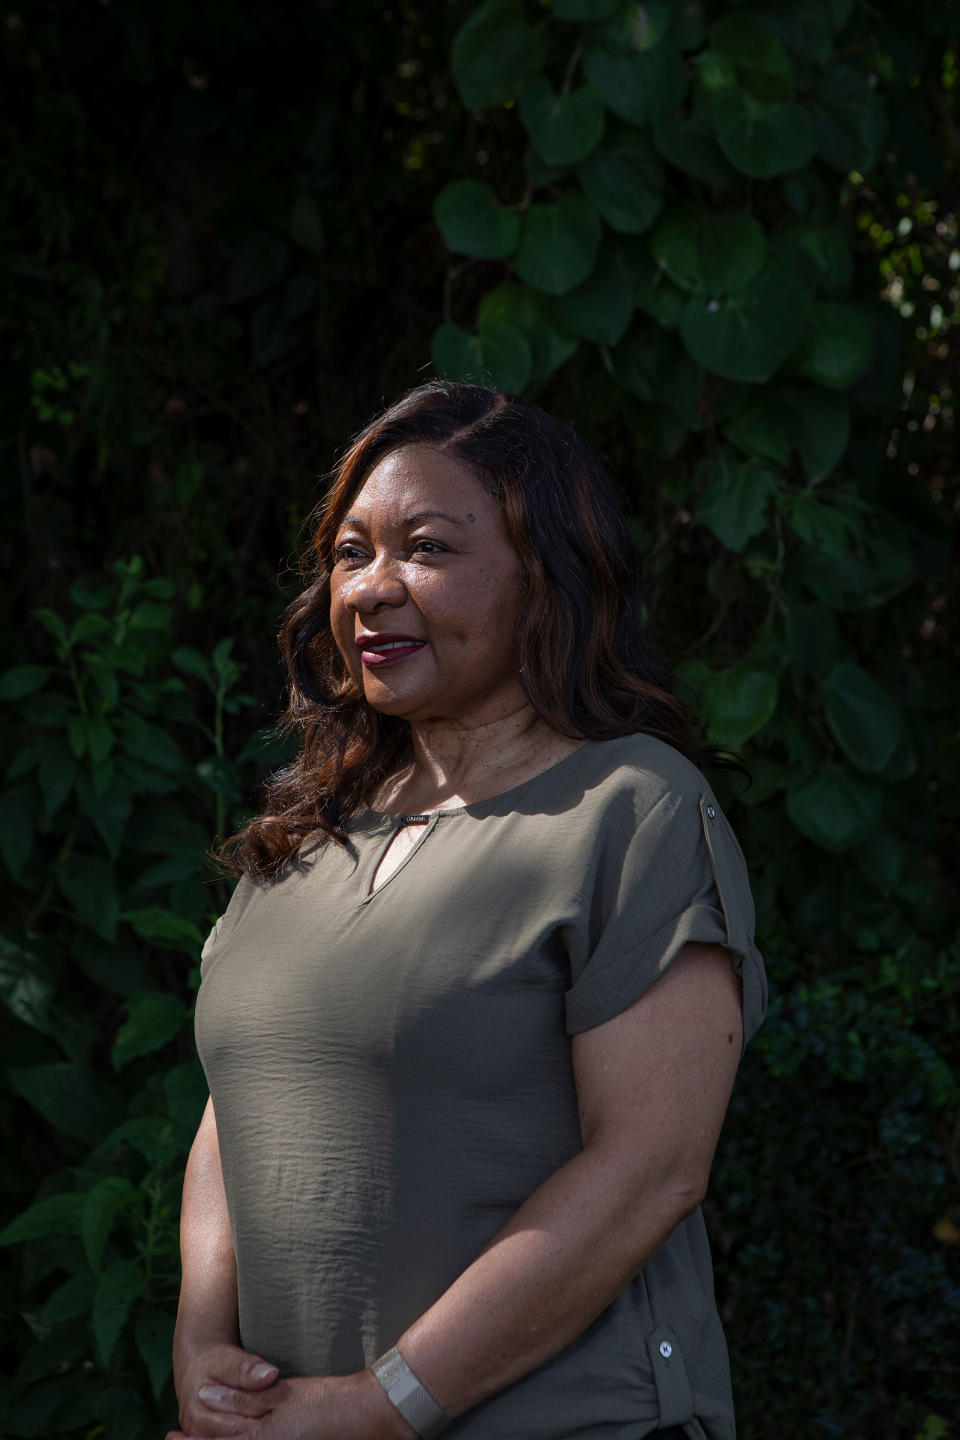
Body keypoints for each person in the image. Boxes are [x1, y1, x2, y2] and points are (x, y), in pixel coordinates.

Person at [169, 381, 767, 1440]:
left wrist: (384, 1404)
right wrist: (202, 1346)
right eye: (352, 553)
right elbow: (238, 1110)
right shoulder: (305, 835)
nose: (371, 589)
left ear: (546, 576)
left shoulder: (630, 807)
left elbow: (651, 1169)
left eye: (428, 550)